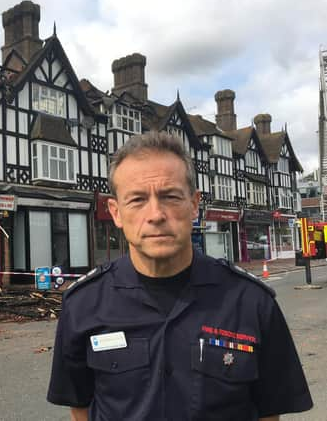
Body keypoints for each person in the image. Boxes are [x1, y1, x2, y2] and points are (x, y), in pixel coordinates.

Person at [47, 131, 313, 420]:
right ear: (116, 212)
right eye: (137, 199)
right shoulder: (82, 304)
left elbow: (268, 412)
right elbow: (80, 406)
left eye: (170, 196)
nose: (156, 214)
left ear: (195, 204)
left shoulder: (252, 303)